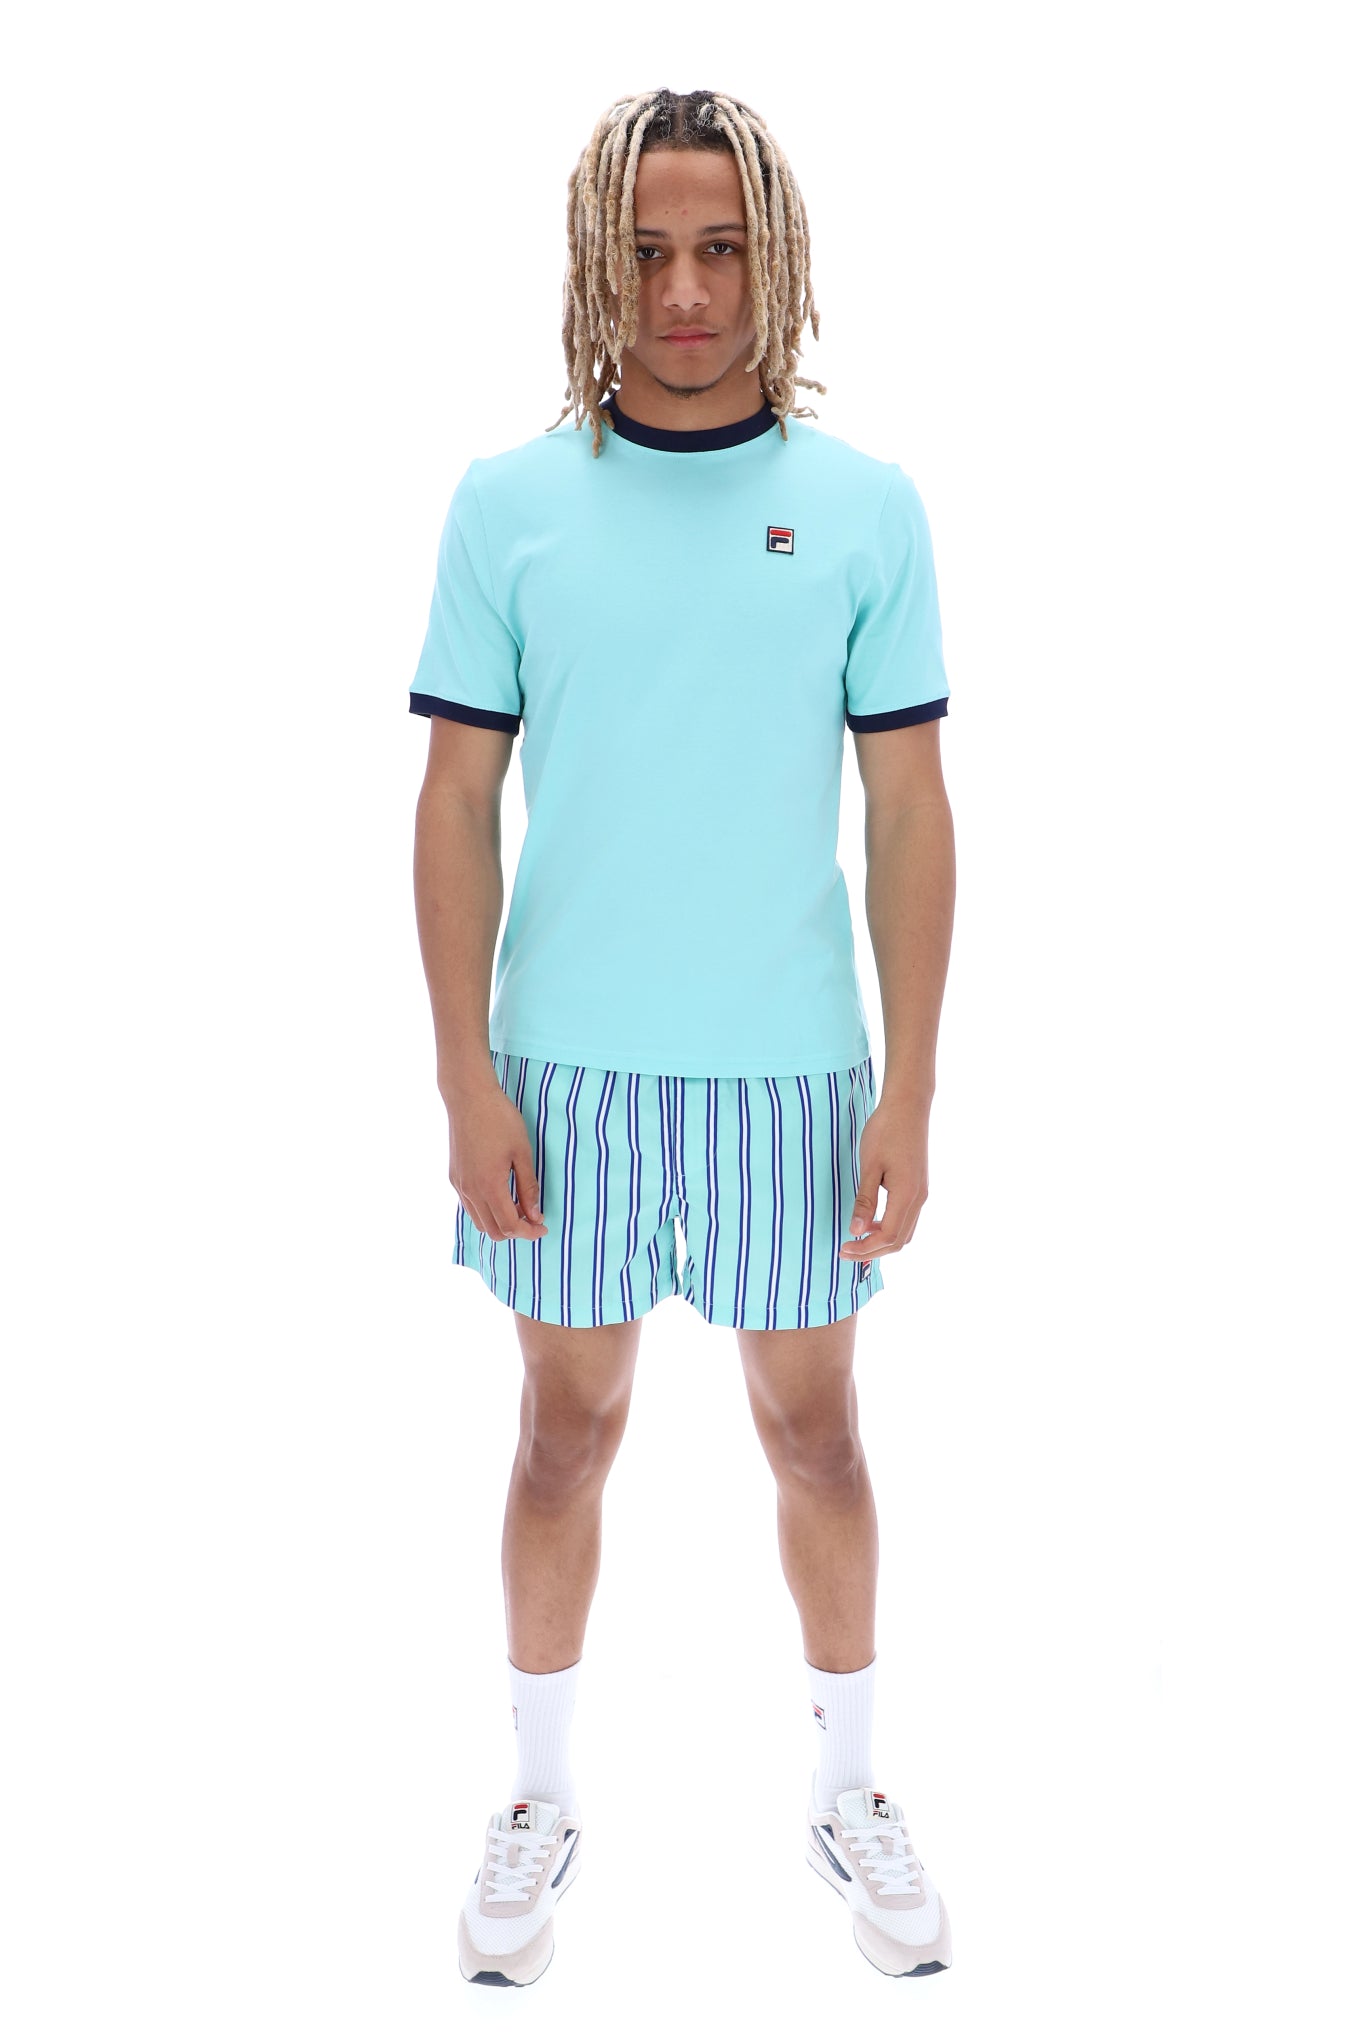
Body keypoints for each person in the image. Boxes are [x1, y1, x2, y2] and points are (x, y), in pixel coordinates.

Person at [410, 86, 956, 1988]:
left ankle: (850, 1787)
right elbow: (454, 801)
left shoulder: (864, 509)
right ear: (597, 262)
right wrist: (465, 1077)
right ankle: (536, 1798)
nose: (685, 291)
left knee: (818, 1437)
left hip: (791, 1077)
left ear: (772, 258)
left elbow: (907, 809)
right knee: (563, 1435)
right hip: (565, 1076)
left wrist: (909, 1088)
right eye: (646, 253)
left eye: (719, 249)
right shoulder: (510, 505)